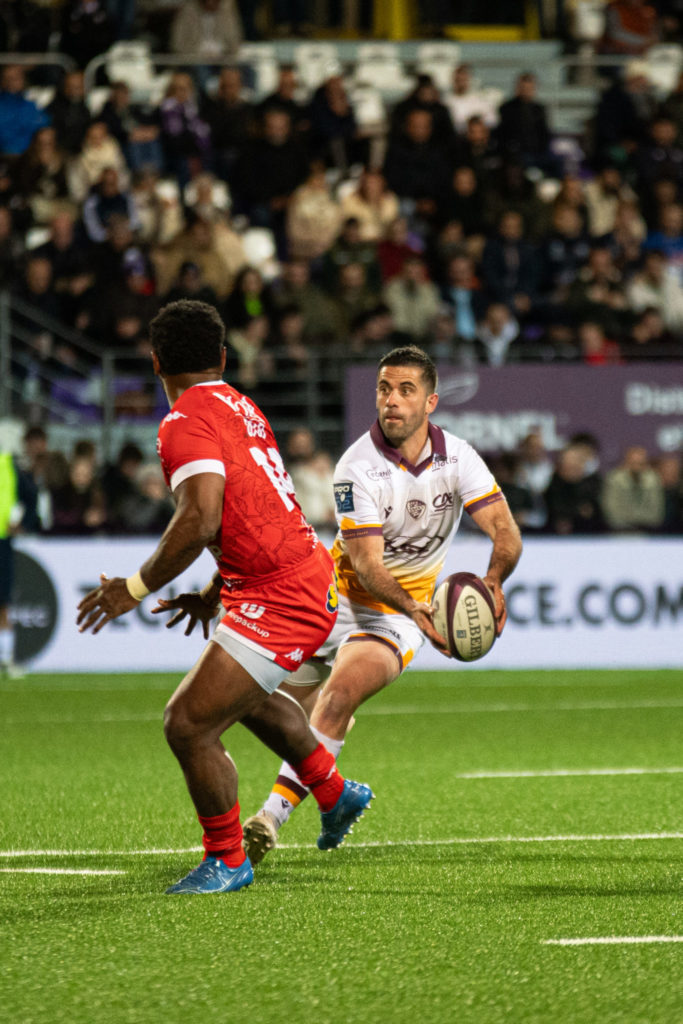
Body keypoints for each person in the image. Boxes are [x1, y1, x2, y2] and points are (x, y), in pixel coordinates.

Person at [77, 299, 373, 895]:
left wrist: (132, 588)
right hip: (296, 574)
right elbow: (253, 505)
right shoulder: (242, 404)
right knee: (252, 699)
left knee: (187, 724)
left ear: (156, 361)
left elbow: (201, 518)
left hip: (282, 593)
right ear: (221, 356)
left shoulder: (184, 420)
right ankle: (335, 792)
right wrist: (216, 589)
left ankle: (227, 858)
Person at [228, 345, 522, 864]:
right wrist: (417, 607)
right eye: (385, 389)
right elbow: (366, 565)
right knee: (256, 704)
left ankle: (268, 819)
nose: (392, 400)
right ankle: (337, 794)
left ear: (430, 402)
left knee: (337, 698)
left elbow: (505, 531)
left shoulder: (458, 457)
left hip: (391, 619)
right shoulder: (355, 468)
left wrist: (494, 579)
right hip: (333, 601)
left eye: (406, 390)